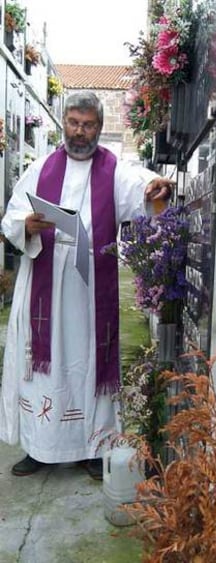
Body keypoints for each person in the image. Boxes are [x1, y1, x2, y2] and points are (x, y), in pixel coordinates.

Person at [0, 92, 173, 479]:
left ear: (99, 126)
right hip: (43, 281)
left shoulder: (113, 169)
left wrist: (156, 186)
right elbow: (11, 216)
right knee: (44, 366)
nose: (80, 132)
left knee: (87, 361)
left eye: (88, 124)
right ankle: (40, 446)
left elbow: (144, 190)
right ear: (65, 123)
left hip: (91, 287)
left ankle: (94, 447)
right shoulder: (41, 167)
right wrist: (26, 225)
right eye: (74, 123)